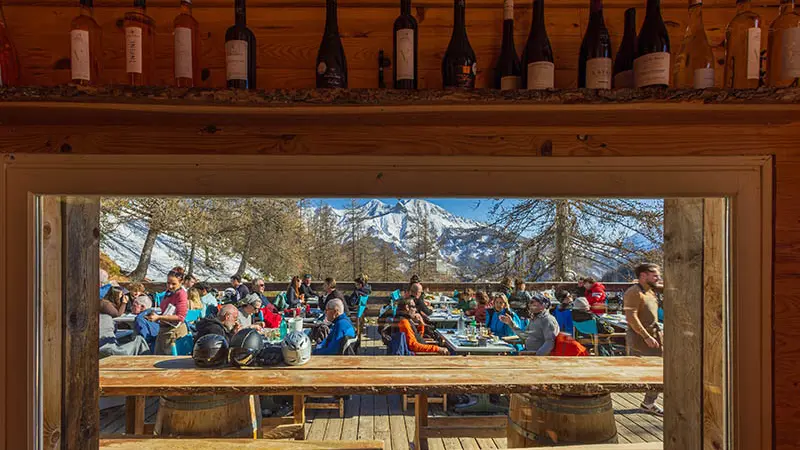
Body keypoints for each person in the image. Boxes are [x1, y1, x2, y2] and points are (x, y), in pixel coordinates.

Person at [624, 263, 664, 417]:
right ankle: (648, 403)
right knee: (655, 372)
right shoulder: (634, 292)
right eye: (654, 275)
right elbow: (631, 317)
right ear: (643, 276)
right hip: (641, 338)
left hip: (655, 335)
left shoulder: (651, 290)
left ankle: (649, 402)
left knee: (660, 371)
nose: (658, 278)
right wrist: (645, 336)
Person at [147, 267, 189, 355]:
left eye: (174, 284)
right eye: (168, 283)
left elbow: (180, 317)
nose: (170, 286)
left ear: (181, 283)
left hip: (173, 332)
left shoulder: (181, 294)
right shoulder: (169, 292)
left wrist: (159, 317)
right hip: (164, 330)